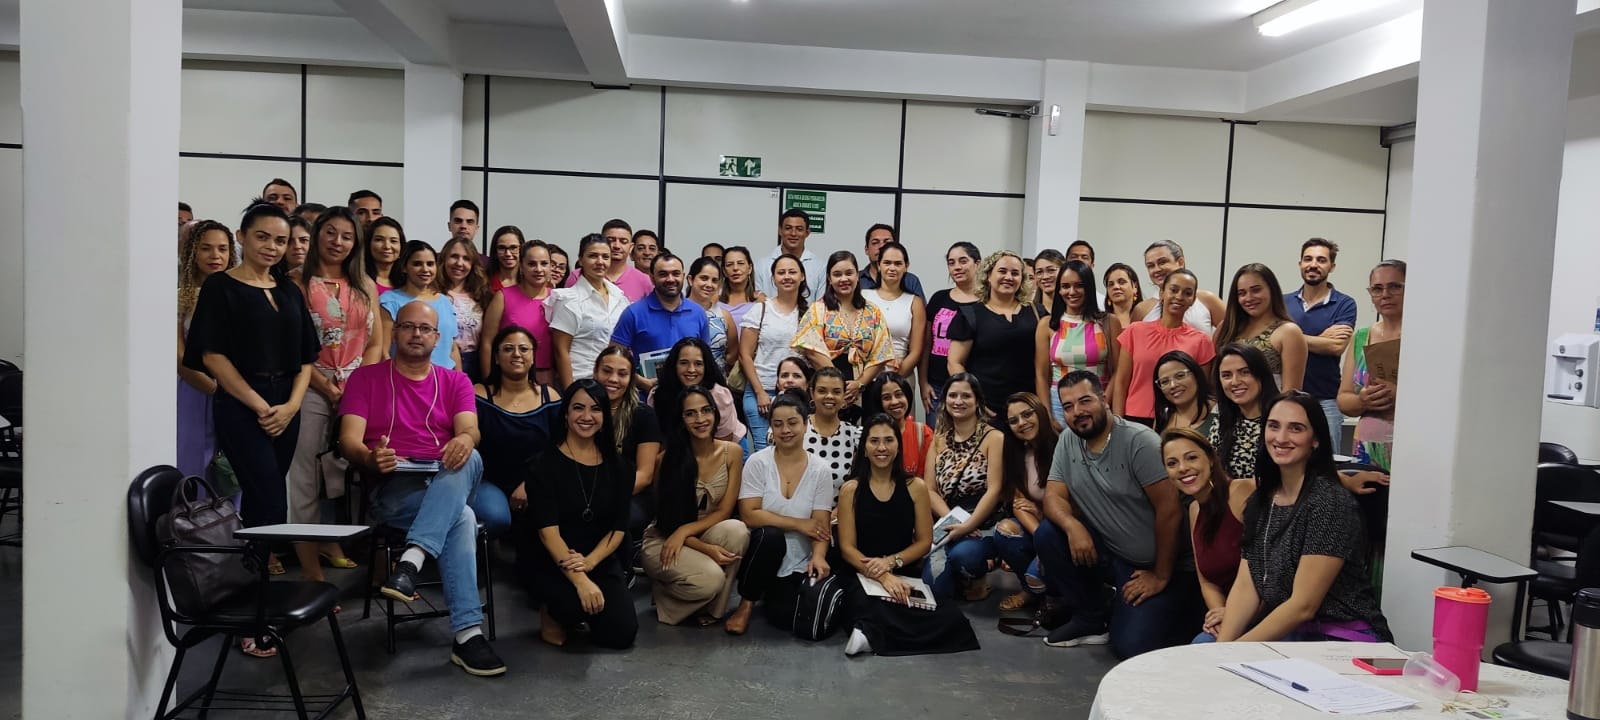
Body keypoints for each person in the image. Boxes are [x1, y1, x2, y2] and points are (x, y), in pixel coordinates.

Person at [182, 202, 320, 655]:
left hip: (287, 405)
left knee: (267, 504)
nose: (272, 247)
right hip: (244, 406)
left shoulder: (289, 289)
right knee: (268, 502)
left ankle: (255, 600)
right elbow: (212, 356)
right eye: (263, 237)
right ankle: (251, 612)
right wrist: (262, 406)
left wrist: (292, 405)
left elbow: (306, 357)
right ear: (242, 237)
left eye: (281, 240)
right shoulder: (221, 287)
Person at [338, 300, 503, 674]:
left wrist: (465, 439)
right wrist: (369, 458)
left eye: (425, 329)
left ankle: (411, 561)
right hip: (395, 485)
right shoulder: (365, 379)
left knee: (471, 454)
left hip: (446, 474)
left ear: (438, 337)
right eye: (408, 326)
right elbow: (348, 441)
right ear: (395, 332)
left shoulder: (456, 380)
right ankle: (468, 636)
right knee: (462, 517)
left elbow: (470, 429)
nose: (416, 334)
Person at [1034, 371, 1194, 657]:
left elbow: (1170, 511)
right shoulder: (1068, 440)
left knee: (1133, 646)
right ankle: (1090, 618)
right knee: (1048, 533)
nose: (1077, 412)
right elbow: (1053, 497)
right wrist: (1072, 526)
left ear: (1104, 399)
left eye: (1085, 401)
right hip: (1113, 553)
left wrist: (1160, 575)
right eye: (1068, 406)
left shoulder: (1139, 442)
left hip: (1161, 564)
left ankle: (1173, 608)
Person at [1211, 391, 1391, 643]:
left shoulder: (1329, 502)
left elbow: (1303, 606)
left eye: (1296, 428)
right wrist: (1221, 650)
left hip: (1341, 635)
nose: (1281, 438)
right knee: (1204, 645)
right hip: (1292, 631)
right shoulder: (1260, 501)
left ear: (1315, 440)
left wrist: (1234, 652)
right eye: (1274, 426)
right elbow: (1245, 586)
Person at [287, 207, 380, 581]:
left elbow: (376, 343)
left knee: (365, 471)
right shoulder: (295, 282)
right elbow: (291, 347)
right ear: (316, 235)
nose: (338, 242)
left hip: (359, 388)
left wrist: (356, 387)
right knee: (304, 478)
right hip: (309, 384)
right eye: (330, 232)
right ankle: (311, 574)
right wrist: (327, 387)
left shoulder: (365, 284)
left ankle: (376, 562)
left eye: (346, 235)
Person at [837, 414, 980, 656]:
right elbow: (847, 548)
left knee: (952, 618)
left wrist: (891, 563)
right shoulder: (850, 489)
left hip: (903, 569)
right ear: (864, 448)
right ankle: (870, 632)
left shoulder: (916, 487)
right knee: (870, 604)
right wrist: (882, 575)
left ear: (898, 445)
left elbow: (924, 542)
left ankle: (873, 636)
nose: (882, 448)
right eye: (874, 441)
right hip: (861, 572)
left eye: (888, 440)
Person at [525, 379, 639, 650]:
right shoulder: (542, 465)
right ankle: (552, 613)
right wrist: (580, 580)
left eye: (595, 409)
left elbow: (618, 529)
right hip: (553, 557)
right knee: (573, 605)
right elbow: (548, 533)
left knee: (621, 634)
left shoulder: (621, 467)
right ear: (565, 414)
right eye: (578, 408)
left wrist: (589, 563)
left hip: (597, 556)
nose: (587, 416)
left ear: (605, 416)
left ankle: (586, 611)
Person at [729, 392, 837, 637]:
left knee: (784, 617)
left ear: (805, 424)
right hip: (762, 551)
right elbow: (749, 515)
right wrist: (799, 524)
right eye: (778, 424)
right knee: (771, 535)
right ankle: (746, 603)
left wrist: (819, 557)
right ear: (771, 428)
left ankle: (770, 592)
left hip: (799, 560)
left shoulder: (820, 470)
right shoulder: (758, 462)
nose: (785, 430)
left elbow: (820, 525)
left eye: (792, 423)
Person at [643, 387, 749, 625]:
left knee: (737, 530)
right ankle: (667, 595)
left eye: (706, 410)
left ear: (715, 413)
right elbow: (667, 522)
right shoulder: (666, 460)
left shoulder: (732, 452)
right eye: (690, 413)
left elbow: (724, 511)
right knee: (711, 579)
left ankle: (712, 609)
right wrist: (700, 545)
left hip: (699, 530)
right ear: (681, 420)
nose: (700, 419)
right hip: (665, 536)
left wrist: (686, 532)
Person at [1160, 428, 1254, 642]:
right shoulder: (1194, 510)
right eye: (1172, 463)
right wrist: (1219, 616)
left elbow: (1270, 572)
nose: (1182, 468)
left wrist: (1233, 615)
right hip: (1230, 615)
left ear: (1211, 459)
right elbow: (1207, 582)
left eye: (1191, 457)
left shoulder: (1243, 492)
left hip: (1267, 612)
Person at [923, 374, 1005, 601]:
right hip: (949, 522)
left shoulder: (994, 438)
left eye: (966, 396)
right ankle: (961, 580)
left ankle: (980, 570)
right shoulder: (938, 440)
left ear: (977, 402)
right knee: (934, 586)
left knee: (964, 557)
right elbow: (929, 490)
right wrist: (955, 522)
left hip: (984, 523)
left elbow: (995, 489)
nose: (958, 401)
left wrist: (969, 525)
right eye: (953, 395)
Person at [475, 325, 559, 538]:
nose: (516, 354)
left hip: (536, 481)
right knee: (495, 517)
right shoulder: (478, 395)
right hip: (487, 481)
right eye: (508, 348)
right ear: (496, 357)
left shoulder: (550, 397)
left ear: (533, 357)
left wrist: (530, 484)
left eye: (523, 349)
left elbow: (561, 448)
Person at [793, 251, 894, 420]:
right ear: (829, 278)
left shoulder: (872, 311)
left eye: (849, 273)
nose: (844, 279)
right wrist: (838, 384)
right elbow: (811, 350)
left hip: (866, 387)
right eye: (837, 274)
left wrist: (859, 384)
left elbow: (881, 353)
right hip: (827, 387)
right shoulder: (818, 309)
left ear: (857, 276)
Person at [1111, 270, 1216, 426]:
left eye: (1187, 293)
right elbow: (1121, 382)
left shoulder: (1201, 341)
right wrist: (1117, 425)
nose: (1179, 296)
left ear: (1193, 300)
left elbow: (1200, 391)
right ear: (1162, 293)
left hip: (1177, 421)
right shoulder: (1135, 331)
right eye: (1173, 290)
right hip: (1134, 419)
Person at [947, 251, 1038, 423]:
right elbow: (954, 362)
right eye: (1002, 271)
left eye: (1015, 273)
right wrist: (974, 399)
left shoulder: (1036, 312)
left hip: (1028, 408)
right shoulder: (970, 315)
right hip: (987, 409)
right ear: (988, 275)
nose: (1008, 277)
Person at [1288, 238, 1359, 451]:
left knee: (1327, 462)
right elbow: (1273, 343)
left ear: (1332, 266)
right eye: (1308, 259)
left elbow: (1336, 347)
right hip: (1287, 397)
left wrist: (1291, 338)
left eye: (1321, 260)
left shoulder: (1344, 303)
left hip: (1326, 400)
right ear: (1300, 263)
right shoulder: (1282, 303)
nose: (1313, 264)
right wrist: (1320, 338)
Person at [594, 346, 664, 558]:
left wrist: (605, 497)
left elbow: (644, 475)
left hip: (632, 494)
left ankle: (621, 568)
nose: (613, 379)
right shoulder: (581, 410)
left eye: (622, 374)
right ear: (595, 372)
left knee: (605, 517)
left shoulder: (643, 415)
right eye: (607, 371)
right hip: (588, 489)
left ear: (631, 378)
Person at [177, 220, 233, 479]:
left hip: (237, 391)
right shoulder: (180, 296)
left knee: (232, 468)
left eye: (222, 248)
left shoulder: (240, 293)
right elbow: (179, 355)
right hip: (194, 389)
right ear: (193, 252)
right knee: (193, 459)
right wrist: (213, 388)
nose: (215, 256)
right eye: (206, 248)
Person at [1337, 260, 1406, 472]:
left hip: (1410, 443)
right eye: (1377, 289)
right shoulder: (1361, 337)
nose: (1385, 294)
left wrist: (1401, 394)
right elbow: (1343, 399)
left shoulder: (1425, 336)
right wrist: (1363, 400)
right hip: (1367, 445)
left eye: (1394, 286)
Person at [609, 253, 710, 392]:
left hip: (689, 397)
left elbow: (706, 358)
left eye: (676, 274)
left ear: (683, 276)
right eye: (663, 274)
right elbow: (613, 358)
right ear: (652, 277)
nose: (670, 279)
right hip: (646, 396)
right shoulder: (634, 313)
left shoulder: (698, 313)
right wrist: (640, 381)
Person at [737, 253, 806, 451]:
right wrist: (760, 393)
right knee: (764, 448)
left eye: (792, 272)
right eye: (781, 272)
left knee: (794, 449)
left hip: (798, 393)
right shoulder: (760, 310)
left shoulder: (810, 313)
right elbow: (744, 355)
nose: (787, 277)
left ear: (802, 276)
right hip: (762, 390)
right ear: (773, 278)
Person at [995, 392, 1058, 611]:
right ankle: (1031, 591)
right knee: (1004, 531)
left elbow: (1073, 505)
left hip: (1064, 525)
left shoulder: (1063, 444)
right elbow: (1018, 503)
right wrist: (1042, 539)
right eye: (1014, 420)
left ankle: (1060, 596)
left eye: (1027, 414)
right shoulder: (1018, 453)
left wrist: (1042, 514)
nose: (1021, 423)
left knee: (1037, 576)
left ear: (1039, 412)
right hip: (1041, 526)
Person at [1035, 259, 1112, 427]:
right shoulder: (1047, 325)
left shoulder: (1108, 322)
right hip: (1060, 405)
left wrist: (1105, 403)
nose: (1072, 292)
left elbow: (1117, 372)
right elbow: (1041, 375)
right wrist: (1048, 416)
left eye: (1079, 285)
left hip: (1098, 402)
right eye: (1065, 286)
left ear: (1089, 287)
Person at [547, 234, 629, 388]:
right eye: (593, 256)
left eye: (605, 257)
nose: (600, 262)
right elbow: (560, 351)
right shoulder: (569, 299)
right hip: (581, 382)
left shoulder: (619, 297)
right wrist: (570, 392)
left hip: (613, 383)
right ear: (581, 259)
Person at [1213, 263, 1307, 390]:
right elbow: (1214, 382)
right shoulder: (1226, 328)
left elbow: (1290, 392)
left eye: (1256, 290)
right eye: (1242, 293)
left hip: (1271, 402)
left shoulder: (1288, 332)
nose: (1249, 298)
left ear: (1272, 290)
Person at [921, 242, 982, 423]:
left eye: (963, 261)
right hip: (937, 386)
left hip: (972, 387)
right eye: (951, 262)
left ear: (977, 264)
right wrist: (923, 382)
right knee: (937, 436)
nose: (957, 267)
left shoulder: (987, 302)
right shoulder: (939, 298)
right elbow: (926, 344)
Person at [379, 239, 462, 371]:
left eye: (430, 264)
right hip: (405, 378)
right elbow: (383, 351)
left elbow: (452, 349)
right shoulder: (389, 301)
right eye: (417, 264)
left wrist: (459, 379)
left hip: (445, 379)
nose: (425, 269)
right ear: (404, 267)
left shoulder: (445, 301)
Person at [482, 239, 555, 386]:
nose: (538, 269)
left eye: (544, 264)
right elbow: (487, 342)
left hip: (549, 381)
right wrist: (488, 382)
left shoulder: (558, 298)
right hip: (508, 379)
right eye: (531, 264)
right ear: (521, 267)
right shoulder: (503, 297)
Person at [650, 337, 747, 445]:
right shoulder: (658, 395)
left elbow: (725, 444)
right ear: (674, 365)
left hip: (725, 446)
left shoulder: (719, 395)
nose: (691, 370)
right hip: (679, 450)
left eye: (698, 364)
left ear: (706, 366)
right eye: (684, 363)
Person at [863, 241, 925, 394]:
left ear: (906, 266)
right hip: (865, 378)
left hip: (901, 378)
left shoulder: (915, 302)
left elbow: (916, 351)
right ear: (879, 265)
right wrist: (864, 379)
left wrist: (894, 380)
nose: (892, 268)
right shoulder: (863, 297)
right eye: (887, 263)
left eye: (898, 263)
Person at [1212, 344, 1280, 482]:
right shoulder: (1220, 422)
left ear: (1261, 374)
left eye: (1245, 372)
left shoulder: (1283, 419)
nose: (1235, 382)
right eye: (1226, 375)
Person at [1132, 240, 1224, 334]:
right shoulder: (1141, 309)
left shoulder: (1207, 300)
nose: (1157, 269)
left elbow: (1231, 331)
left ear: (1180, 262)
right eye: (1150, 266)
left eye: (1162, 262)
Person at [803, 368, 862, 505]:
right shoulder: (796, 429)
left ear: (843, 395)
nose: (829, 396)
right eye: (822, 391)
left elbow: (860, 484)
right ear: (812, 393)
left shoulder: (856, 435)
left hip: (841, 513)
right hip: (796, 514)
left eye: (836, 392)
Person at [440, 238, 492, 383]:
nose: (459, 263)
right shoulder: (433, 293)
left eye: (466, 258)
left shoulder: (481, 294)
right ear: (444, 259)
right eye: (454, 256)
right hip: (443, 361)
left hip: (475, 362)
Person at [862, 372, 932, 478]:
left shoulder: (922, 432)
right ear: (878, 402)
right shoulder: (869, 434)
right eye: (886, 398)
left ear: (907, 396)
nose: (894, 402)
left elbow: (929, 480)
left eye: (899, 395)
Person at [565, 219, 652, 302]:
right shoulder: (578, 276)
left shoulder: (644, 281)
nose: (617, 246)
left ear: (631, 247)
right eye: (611, 240)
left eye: (623, 241)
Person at [687, 257, 740, 377]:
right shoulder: (678, 311)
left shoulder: (724, 315)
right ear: (691, 280)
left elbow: (732, 354)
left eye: (714, 280)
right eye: (704, 278)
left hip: (717, 382)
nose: (709, 284)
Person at [755, 209, 822, 298]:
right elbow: (757, 300)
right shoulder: (762, 265)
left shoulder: (820, 267)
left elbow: (821, 303)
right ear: (780, 230)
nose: (793, 233)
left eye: (799, 229)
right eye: (788, 228)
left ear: (807, 232)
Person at [1152, 350, 1217, 438]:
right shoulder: (1164, 415)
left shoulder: (1219, 411)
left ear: (1196, 375)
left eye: (1180, 376)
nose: (1173, 385)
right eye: (1165, 382)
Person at [856, 224, 925, 298]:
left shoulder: (911, 281)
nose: (881, 246)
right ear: (866, 249)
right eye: (875, 243)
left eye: (887, 242)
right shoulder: (855, 279)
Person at [718, 245, 766, 328]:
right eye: (729, 264)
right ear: (724, 271)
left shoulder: (760, 299)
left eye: (740, 263)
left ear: (749, 268)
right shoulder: (715, 297)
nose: (735, 268)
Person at [365, 216, 403, 295]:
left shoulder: (407, 282)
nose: (387, 246)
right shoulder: (359, 280)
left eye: (393, 241)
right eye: (379, 240)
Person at [1103, 262, 1144, 332]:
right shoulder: (1101, 322)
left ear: (1135, 286)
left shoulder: (1146, 318)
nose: (1116, 287)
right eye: (1111, 284)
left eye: (1121, 282)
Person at [488, 226, 525, 291]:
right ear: (495, 251)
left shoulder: (531, 281)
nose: (508, 254)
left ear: (522, 248)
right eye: (502, 248)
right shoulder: (484, 283)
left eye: (513, 247)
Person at [1030, 249, 1065, 318]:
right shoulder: (1029, 311)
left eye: (1051, 270)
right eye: (1039, 272)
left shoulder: (1074, 311)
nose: (1045, 277)